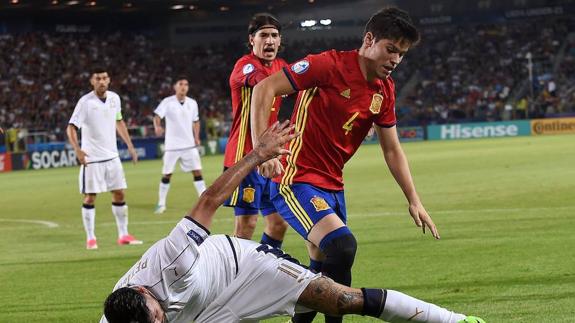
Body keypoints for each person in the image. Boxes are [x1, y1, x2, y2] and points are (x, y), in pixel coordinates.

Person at [100, 121, 485, 323]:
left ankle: (456, 320)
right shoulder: (120, 317)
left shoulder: (171, 258)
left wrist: (257, 154)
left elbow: (210, 199)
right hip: (203, 312)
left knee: (341, 301)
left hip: (240, 269)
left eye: (156, 319)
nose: (159, 321)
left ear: (146, 294)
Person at [250, 8, 439, 322]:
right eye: (390, 49)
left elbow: (392, 149)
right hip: (296, 177)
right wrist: (262, 150)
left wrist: (414, 200)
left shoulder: (384, 90)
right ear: (368, 40)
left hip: (333, 185)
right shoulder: (329, 64)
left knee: (320, 275)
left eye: (402, 54)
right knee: (342, 246)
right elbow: (264, 88)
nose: (395, 60)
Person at [223, 13, 289, 249]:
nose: (269, 40)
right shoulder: (245, 66)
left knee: (278, 223)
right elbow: (263, 82)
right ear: (252, 40)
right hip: (245, 157)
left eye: (274, 35)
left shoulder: (281, 66)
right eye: (263, 35)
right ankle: (233, 280)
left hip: (270, 155)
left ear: (280, 40)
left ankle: (264, 269)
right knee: (246, 225)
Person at [67, 67, 142, 250]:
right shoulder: (85, 102)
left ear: (109, 80)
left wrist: (130, 146)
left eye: (104, 78)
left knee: (119, 193)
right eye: (98, 78)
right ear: (92, 81)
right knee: (90, 197)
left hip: (112, 157)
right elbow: (71, 127)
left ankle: (123, 234)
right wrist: (77, 150)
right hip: (92, 159)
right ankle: (91, 238)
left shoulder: (115, 99)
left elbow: (119, 121)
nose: (102, 81)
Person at [153, 76, 206, 214]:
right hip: (172, 146)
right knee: (167, 174)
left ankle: (205, 201)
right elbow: (157, 116)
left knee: (197, 172)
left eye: (186, 84)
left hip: (189, 145)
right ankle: (161, 204)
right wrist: (157, 127)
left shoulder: (192, 103)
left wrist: (196, 137)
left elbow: (196, 121)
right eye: (181, 84)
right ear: (175, 86)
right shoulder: (167, 102)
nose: (183, 86)